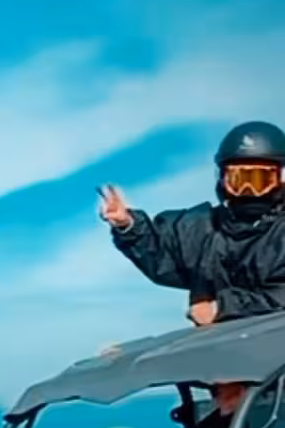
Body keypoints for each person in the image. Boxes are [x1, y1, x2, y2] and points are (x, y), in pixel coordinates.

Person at [99, 121, 285, 326]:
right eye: (238, 179)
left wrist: (223, 308)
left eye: (260, 180)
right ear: (222, 180)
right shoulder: (201, 228)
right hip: (226, 349)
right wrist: (128, 225)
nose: (248, 189)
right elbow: (161, 254)